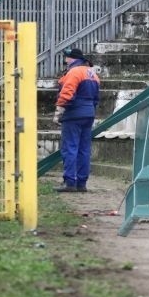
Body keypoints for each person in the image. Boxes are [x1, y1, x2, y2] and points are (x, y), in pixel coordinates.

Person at [53, 48, 100, 193]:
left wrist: (58, 111)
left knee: (70, 148)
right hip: (88, 114)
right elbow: (96, 99)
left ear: (71, 59)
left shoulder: (74, 72)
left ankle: (70, 182)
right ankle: (81, 183)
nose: (65, 61)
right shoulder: (93, 74)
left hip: (74, 114)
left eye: (66, 58)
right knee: (84, 149)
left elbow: (67, 93)